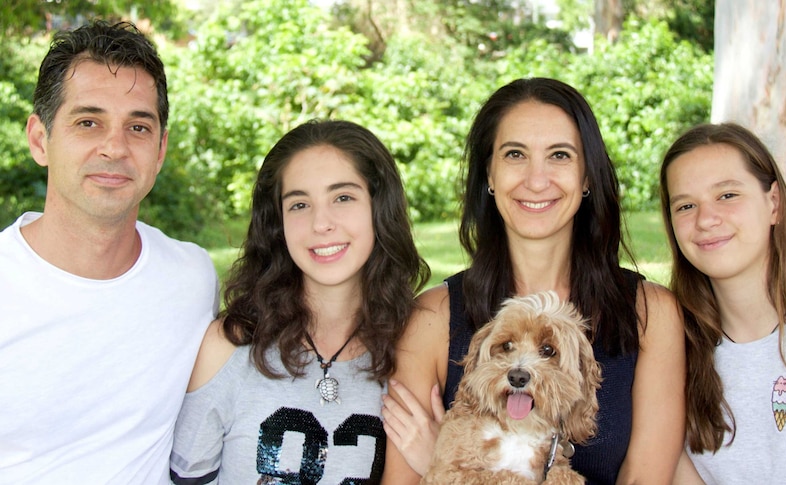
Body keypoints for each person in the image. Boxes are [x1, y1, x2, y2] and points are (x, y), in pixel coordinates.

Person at [381, 77, 685, 485]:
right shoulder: (432, 318)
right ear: (489, 173)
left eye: (559, 155)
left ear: (588, 176)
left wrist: (438, 460)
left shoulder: (651, 314)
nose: (536, 179)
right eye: (514, 154)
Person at [0, 21, 219, 483]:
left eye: (138, 127)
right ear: (40, 139)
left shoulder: (192, 277)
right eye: (88, 122)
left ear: (160, 151)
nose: (115, 147)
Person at [169, 119, 430, 484]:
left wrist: (437, 462)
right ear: (278, 222)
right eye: (299, 204)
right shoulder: (230, 347)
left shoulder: (413, 350)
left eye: (343, 197)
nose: (321, 223)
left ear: (378, 208)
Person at [660, 122, 786, 484]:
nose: (706, 219)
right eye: (686, 205)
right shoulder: (670, 349)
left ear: (774, 204)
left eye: (727, 195)